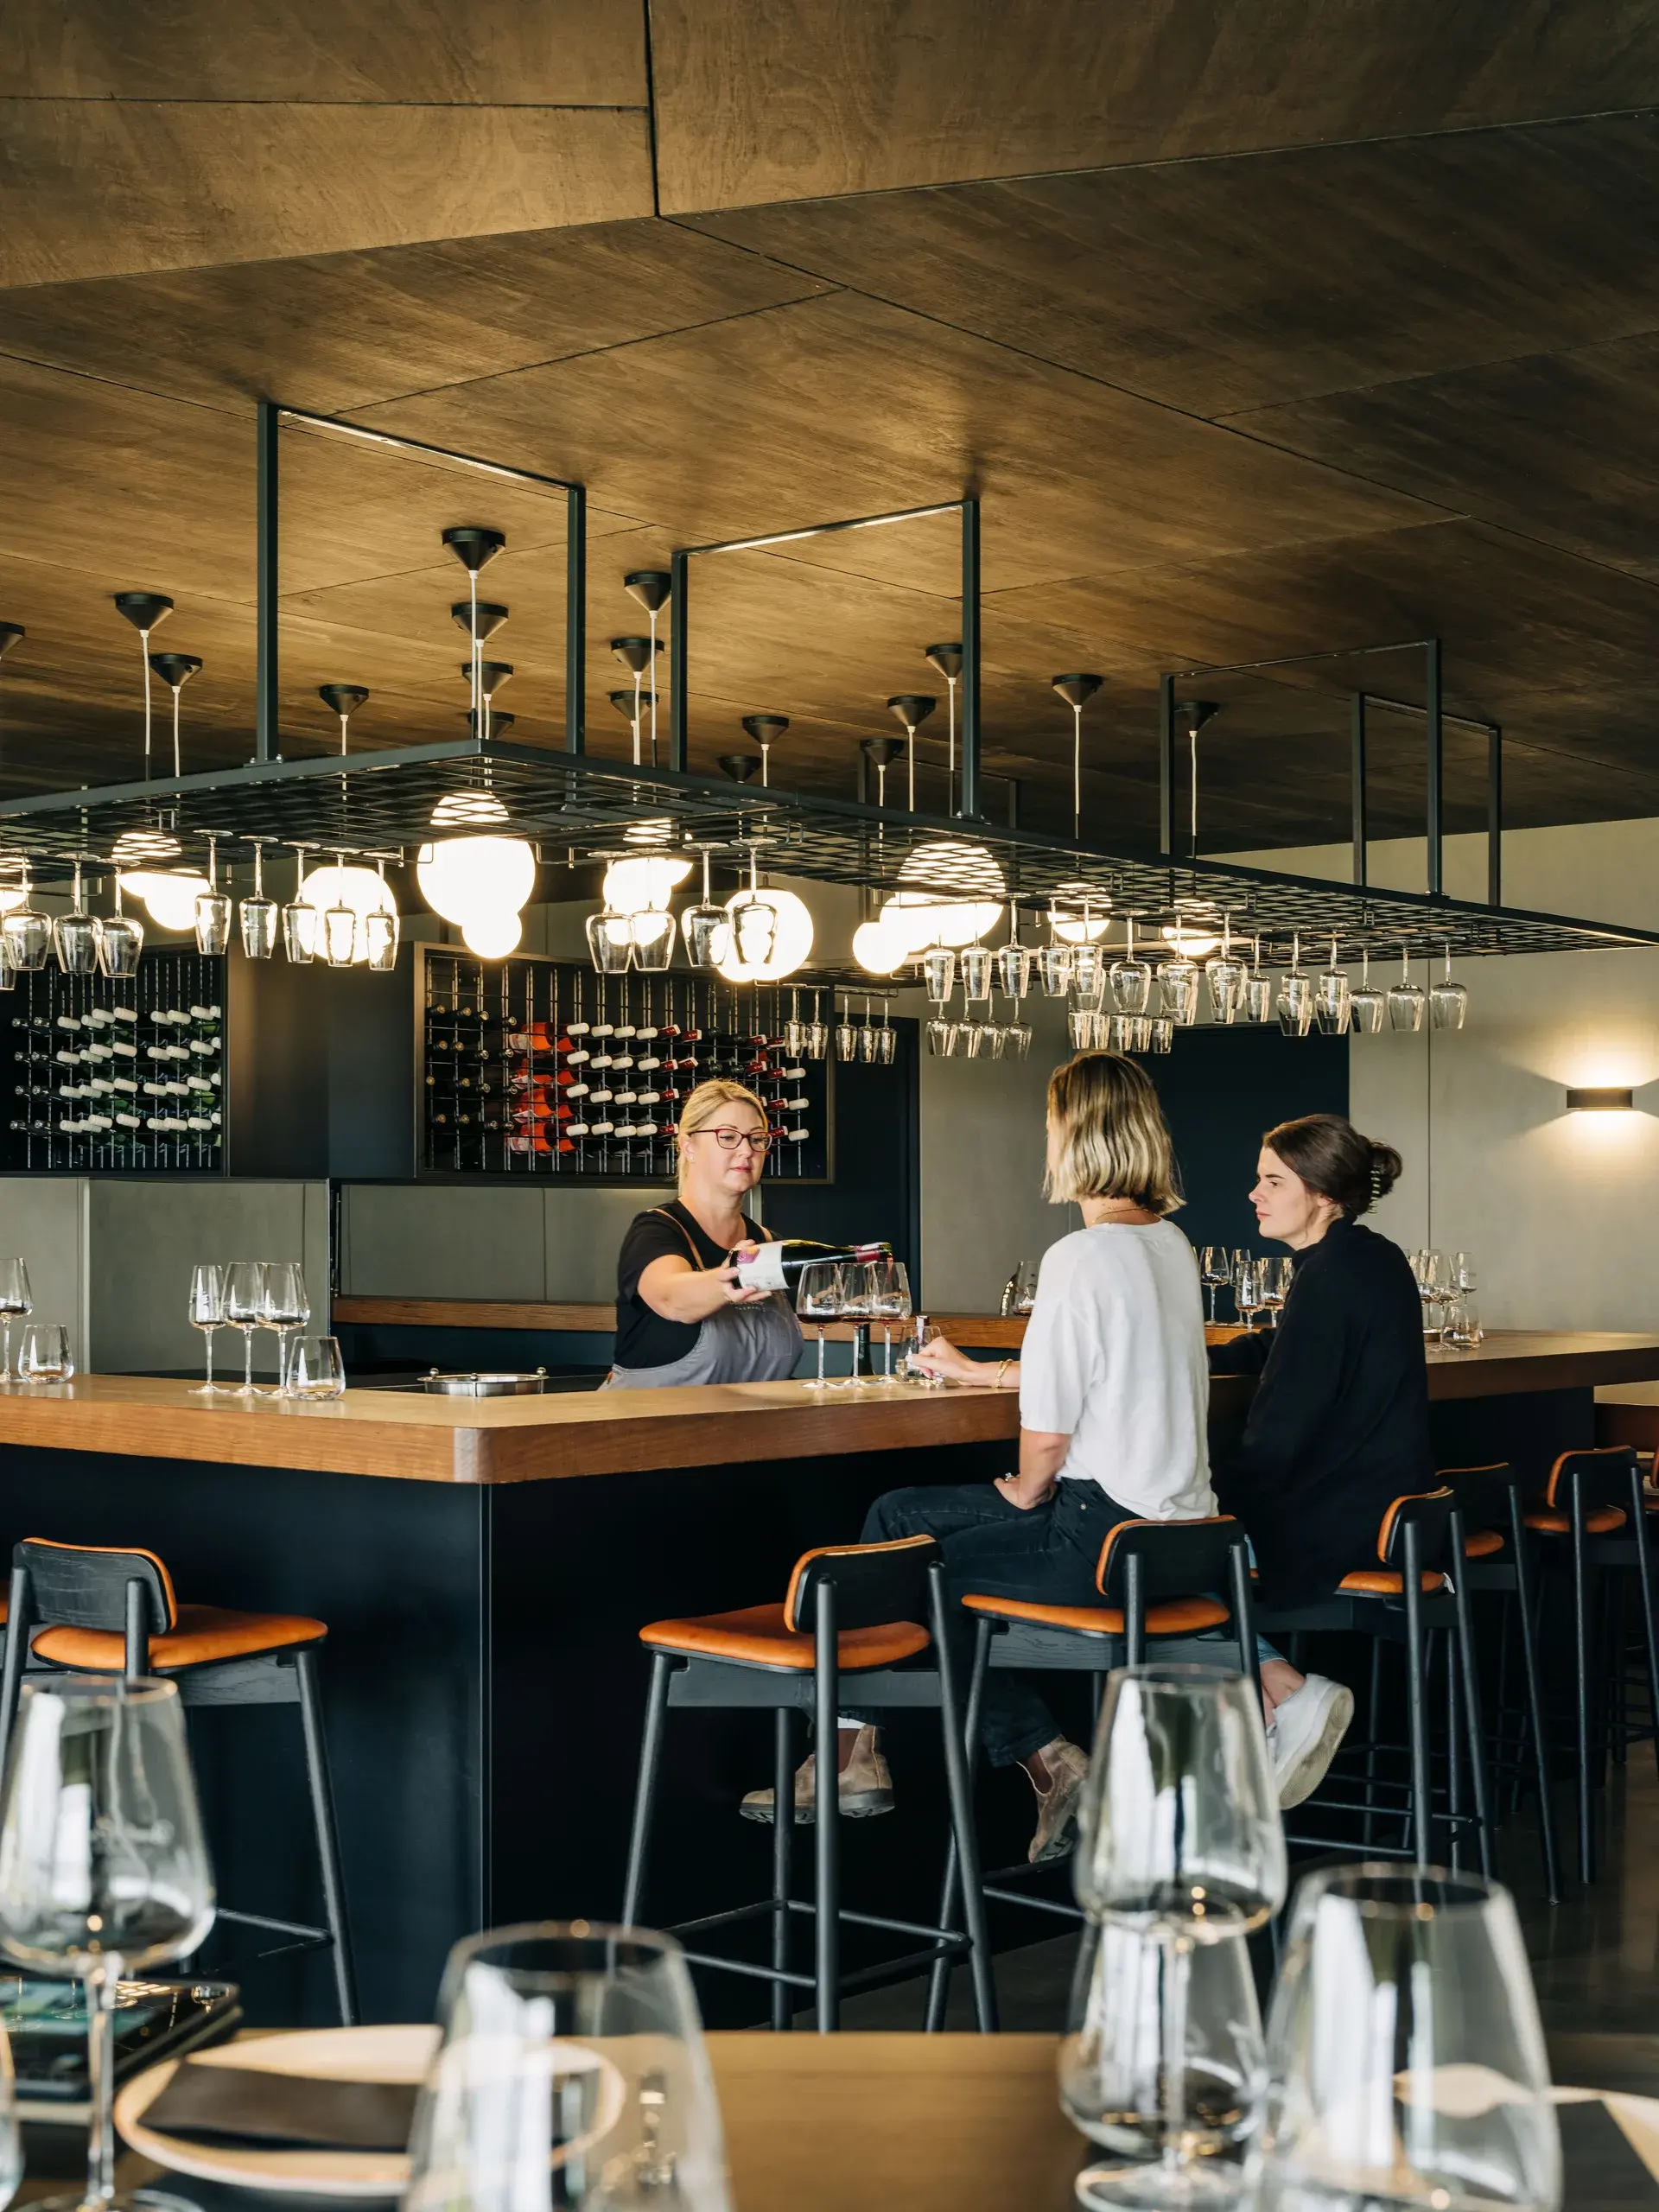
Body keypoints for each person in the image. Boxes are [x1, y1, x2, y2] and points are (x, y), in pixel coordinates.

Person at [740, 1052, 1214, 1863]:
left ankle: (1030, 1757)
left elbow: (1049, 1436)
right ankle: (864, 1753)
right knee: (896, 1517)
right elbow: (1114, 1367)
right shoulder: (1169, 1246)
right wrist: (979, 1371)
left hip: (1098, 1537)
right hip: (1176, 1536)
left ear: (1076, 1135)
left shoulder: (1081, 1257)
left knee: (921, 1575)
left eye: (1051, 1125)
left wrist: (1026, 1486)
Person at [1209, 1113, 1431, 1806]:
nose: (1253, 1194)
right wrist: (1195, 1355)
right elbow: (1283, 1347)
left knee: (1164, 1545)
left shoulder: (1331, 1275)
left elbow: (1279, 1437)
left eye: (1273, 1181)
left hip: (1339, 1526)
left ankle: (1285, 1691)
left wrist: (1208, 1500)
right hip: (1394, 1515)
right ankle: (1276, 1692)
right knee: (1180, 1532)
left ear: (1324, 1194)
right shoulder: (1367, 1257)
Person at [606, 1078, 804, 1388]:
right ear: (688, 1146)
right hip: (651, 1429)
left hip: (750, 1432)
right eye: (727, 1137)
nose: (746, 1151)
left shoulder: (767, 1242)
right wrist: (724, 1283)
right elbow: (671, 1297)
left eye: (757, 1138)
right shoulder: (655, 1230)